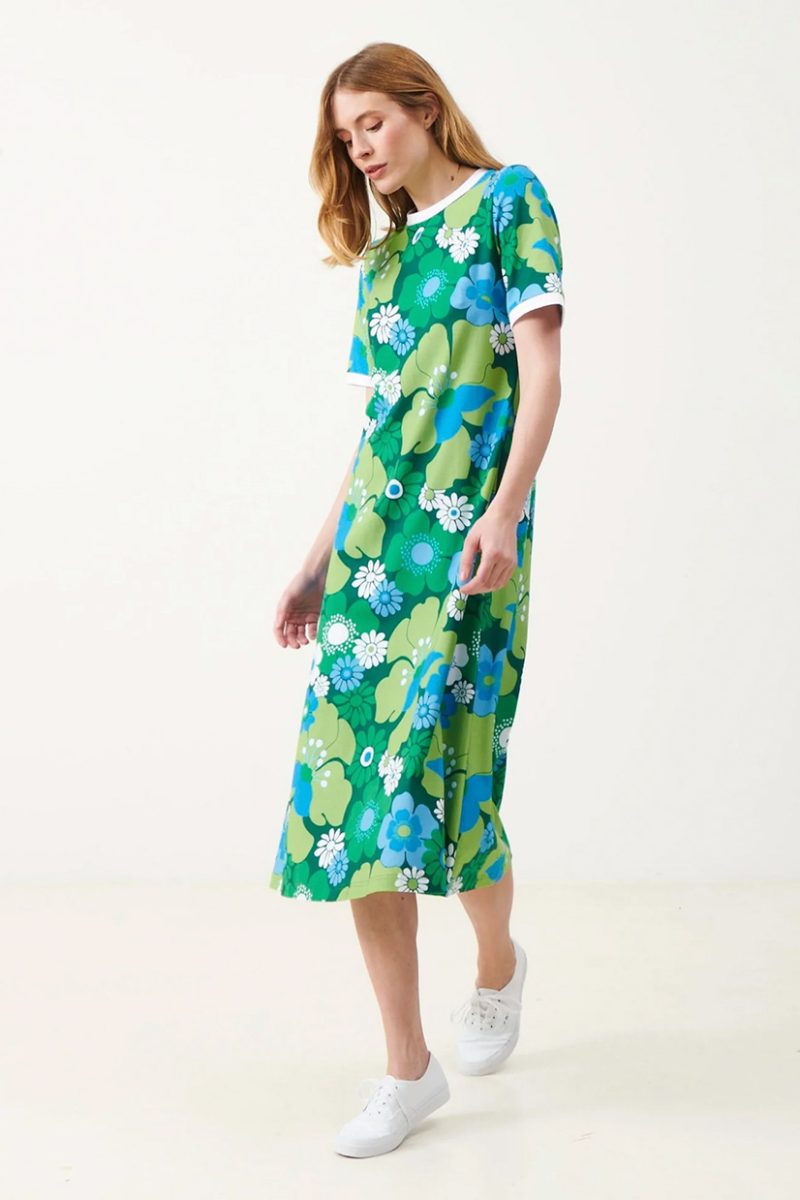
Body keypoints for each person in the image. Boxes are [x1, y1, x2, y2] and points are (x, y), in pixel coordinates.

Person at [269, 42, 565, 1157]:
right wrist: (316, 559)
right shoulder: (384, 262)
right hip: (372, 559)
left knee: (456, 790)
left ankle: (497, 964)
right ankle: (408, 1067)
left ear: (424, 110)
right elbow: (379, 429)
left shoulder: (510, 201)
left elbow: (542, 372)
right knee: (358, 800)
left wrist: (505, 512)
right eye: (345, 138)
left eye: (373, 125)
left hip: (471, 546)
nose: (360, 150)